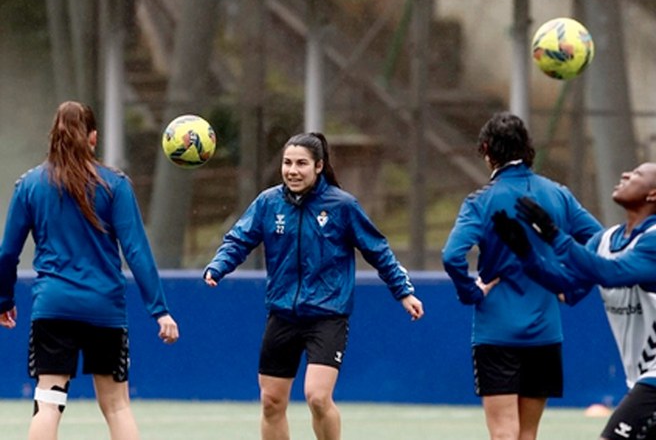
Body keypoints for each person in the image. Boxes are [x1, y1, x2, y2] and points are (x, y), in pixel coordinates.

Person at [203, 132, 424, 440]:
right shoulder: (268, 203)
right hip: (282, 315)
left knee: (317, 398)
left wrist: (404, 292)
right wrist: (218, 266)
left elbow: (378, 250)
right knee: (271, 402)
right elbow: (239, 239)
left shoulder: (342, 206)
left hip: (327, 315)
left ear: (319, 166)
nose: (293, 170)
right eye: (287, 163)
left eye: (301, 164)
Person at [0, 101, 179, 440]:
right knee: (117, 406)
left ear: (53, 136)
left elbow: (8, 252)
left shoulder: (29, 185)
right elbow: (137, 252)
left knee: (49, 400)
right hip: (104, 309)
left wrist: (3, 298)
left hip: (53, 306)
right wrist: (160, 310)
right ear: (93, 138)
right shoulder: (116, 185)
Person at [492, 161, 656, 440]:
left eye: (637, 174)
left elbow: (611, 273)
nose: (626, 173)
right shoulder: (605, 240)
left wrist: (555, 235)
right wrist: (525, 252)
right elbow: (567, 288)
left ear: (653, 195)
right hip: (646, 378)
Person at [441, 112, 602, 440]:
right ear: (528, 148)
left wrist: (471, 292)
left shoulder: (481, 201)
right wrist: (566, 282)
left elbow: (451, 256)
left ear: (487, 149)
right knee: (527, 434)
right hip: (545, 330)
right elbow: (600, 242)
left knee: (503, 434)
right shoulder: (558, 194)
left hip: (496, 331)